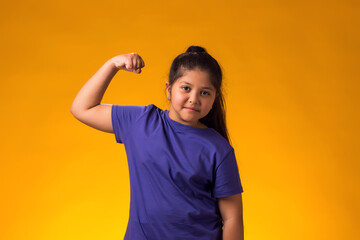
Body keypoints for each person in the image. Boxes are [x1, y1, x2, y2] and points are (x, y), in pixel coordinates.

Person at [70, 46, 244, 240]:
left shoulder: (219, 149)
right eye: (186, 88)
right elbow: (81, 108)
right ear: (169, 90)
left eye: (205, 93)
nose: (193, 99)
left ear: (214, 99)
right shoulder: (141, 122)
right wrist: (113, 64)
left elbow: (232, 218)